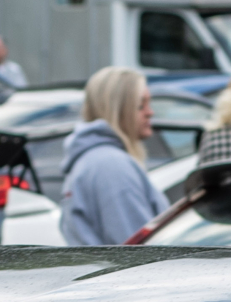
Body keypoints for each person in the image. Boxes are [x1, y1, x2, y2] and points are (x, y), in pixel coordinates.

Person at [60, 66, 165, 246]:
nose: (150, 112)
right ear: (118, 110)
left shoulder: (93, 159)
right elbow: (141, 253)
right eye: (141, 105)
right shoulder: (111, 165)